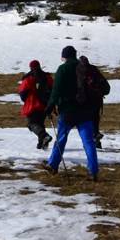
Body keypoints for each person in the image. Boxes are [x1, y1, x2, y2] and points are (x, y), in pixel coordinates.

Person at [44, 46, 99, 181]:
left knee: (61, 139)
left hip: (67, 111)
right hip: (85, 111)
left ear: (64, 56)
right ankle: (93, 170)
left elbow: (56, 92)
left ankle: (53, 165)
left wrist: (49, 107)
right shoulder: (84, 68)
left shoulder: (63, 69)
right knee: (88, 142)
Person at [19, 60, 54, 150]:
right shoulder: (47, 77)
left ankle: (44, 136)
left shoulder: (28, 78)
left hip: (32, 104)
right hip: (44, 104)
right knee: (40, 123)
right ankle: (42, 144)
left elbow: (22, 93)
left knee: (31, 124)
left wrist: (27, 99)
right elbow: (52, 90)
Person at [78, 55, 110, 149]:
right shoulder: (93, 69)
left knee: (86, 122)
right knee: (95, 120)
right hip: (97, 100)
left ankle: (91, 141)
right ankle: (96, 140)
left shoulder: (79, 71)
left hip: (86, 101)